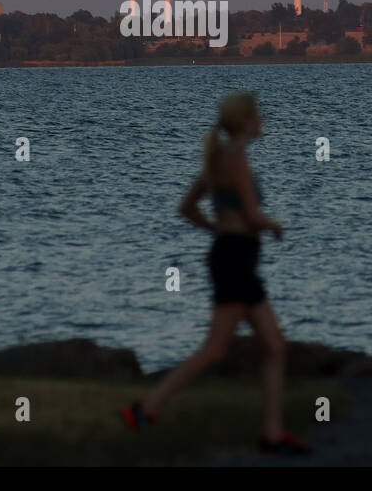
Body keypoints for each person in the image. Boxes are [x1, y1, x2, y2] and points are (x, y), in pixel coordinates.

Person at [122, 91, 310, 456]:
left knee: (274, 345)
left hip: (231, 255)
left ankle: (272, 434)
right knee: (215, 350)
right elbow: (252, 215)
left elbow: (187, 208)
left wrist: (218, 230)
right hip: (235, 259)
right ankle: (145, 410)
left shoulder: (216, 159)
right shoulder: (236, 160)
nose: (263, 121)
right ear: (245, 123)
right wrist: (273, 226)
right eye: (258, 115)